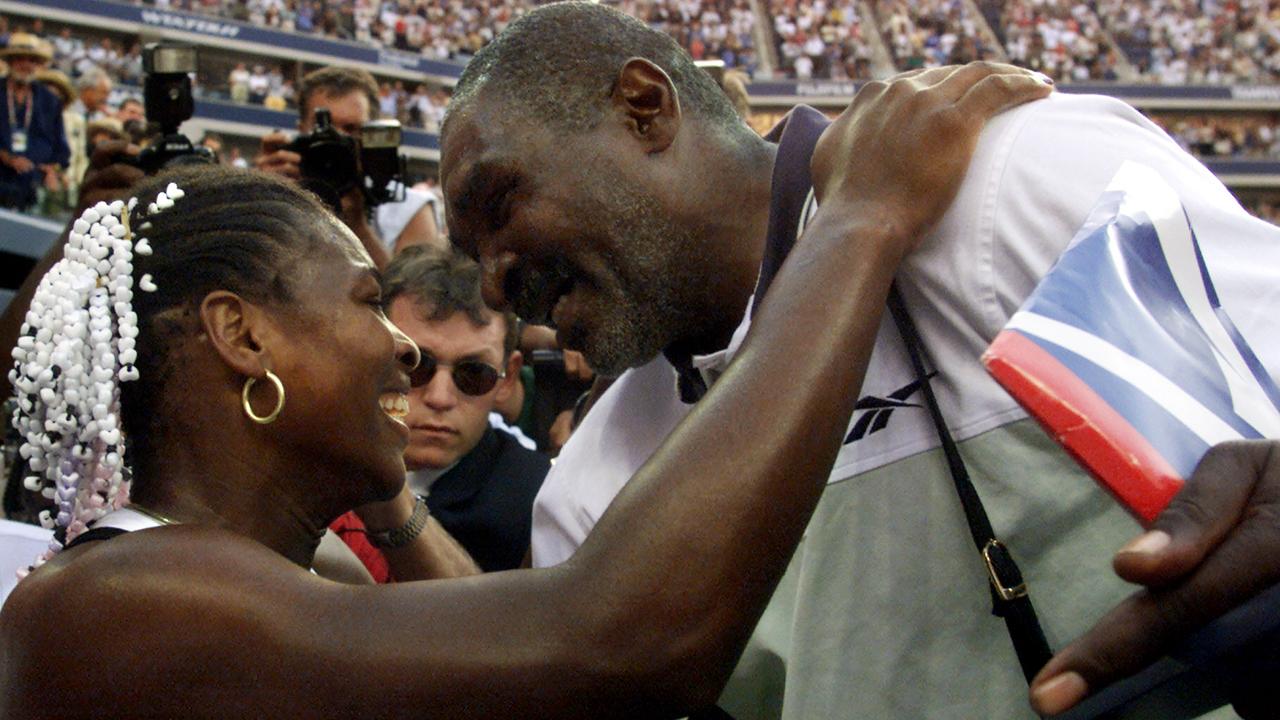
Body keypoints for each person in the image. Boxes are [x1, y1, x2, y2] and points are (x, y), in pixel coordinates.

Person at [0, 60, 1052, 716]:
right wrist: (859, 220)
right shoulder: (110, 607)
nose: (403, 351)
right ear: (242, 335)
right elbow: (611, 642)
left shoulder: (304, 568)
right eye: (367, 301)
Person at [437, 4, 1280, 718]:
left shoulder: (1009, 180)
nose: (496, 284)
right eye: (469, 254)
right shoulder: (589, 490)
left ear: (644, 106)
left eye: (502, 201)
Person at [332, 245, 550, 576]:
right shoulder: (316, 448)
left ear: (508, 379)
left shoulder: (534, 500)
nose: (440, 397)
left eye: (474, 374)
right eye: (415, 365)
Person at [254, 66, 442, 267]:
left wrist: (356, 224)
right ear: (301, 132)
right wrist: (261, 201)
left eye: (351, 129)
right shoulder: (281, 196)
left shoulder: (409, 209)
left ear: (371, 136)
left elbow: (416, 295)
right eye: (324, 129)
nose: (337, 141)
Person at [0, 33, 69, 211]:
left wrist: (53, 170)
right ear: (10, 61)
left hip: (32, 186)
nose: (26, 65)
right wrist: (7, 158)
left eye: (31, 60)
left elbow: (61, 150)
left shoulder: (49, 100)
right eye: (20, 59)